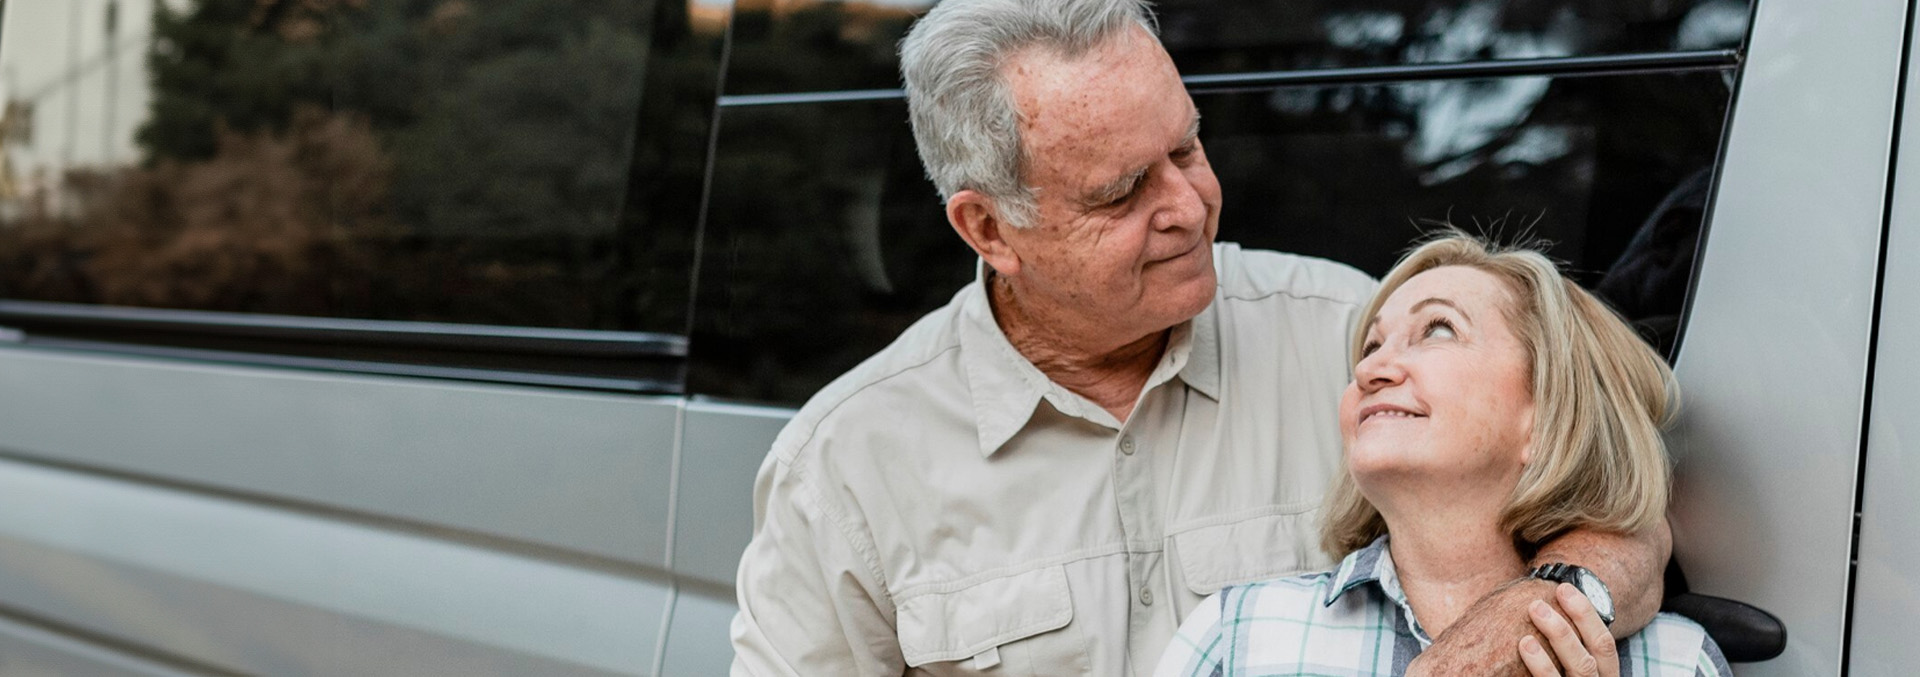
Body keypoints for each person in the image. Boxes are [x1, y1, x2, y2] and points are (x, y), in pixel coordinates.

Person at [729, 1, 1671, 675]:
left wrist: (1531, 611)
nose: (1188, 206)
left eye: (1187, 147)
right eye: (1121, 191)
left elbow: (1631, 513)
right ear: (988, 229)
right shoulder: (843, 463)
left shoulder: (1353, 344)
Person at [1156, 234, 1729, 677]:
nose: (1370, 369)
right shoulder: (1240, 634)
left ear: (1548, 410)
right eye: (1372, 345)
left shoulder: (1676, 662)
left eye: (1437, 329)